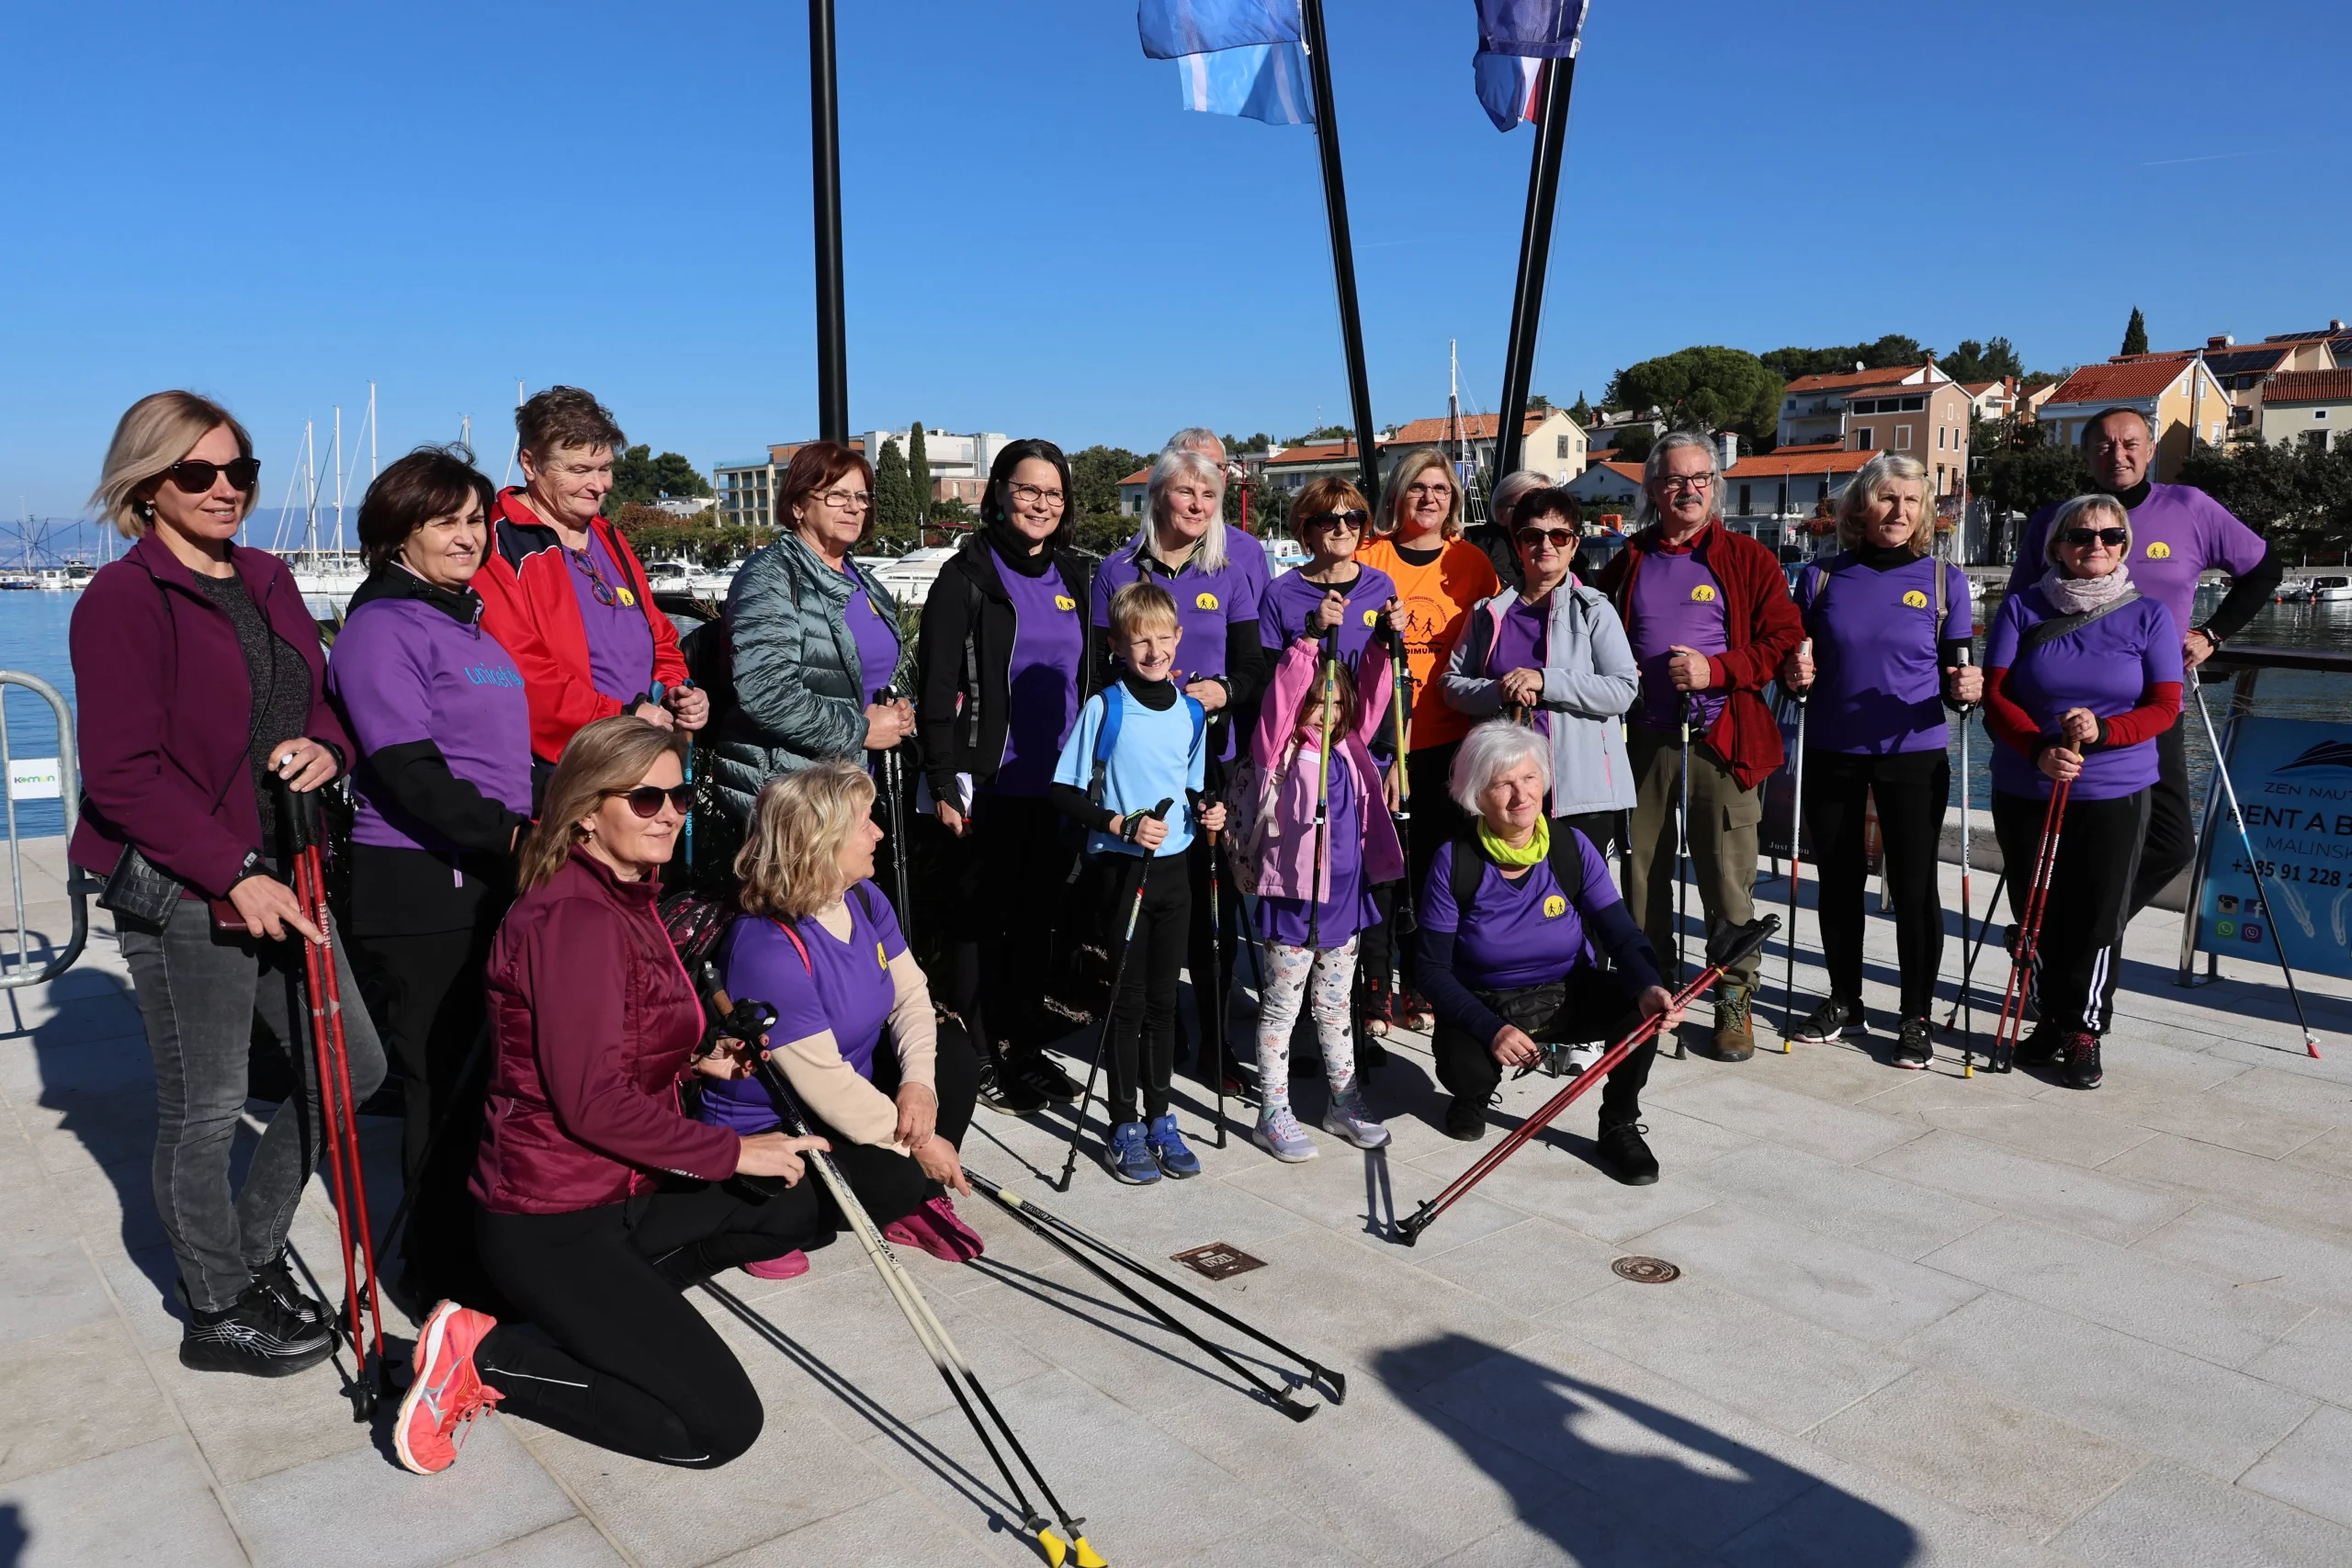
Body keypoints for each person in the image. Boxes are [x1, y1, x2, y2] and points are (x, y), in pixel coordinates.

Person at [393, 717, 831, 1476]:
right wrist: (732, 1149)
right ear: (587, 811)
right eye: (645, 797)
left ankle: (607, 1314)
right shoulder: (575, 918)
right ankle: (485, 1355)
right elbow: (590, 1103)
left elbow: (604, 1052)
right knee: (719, 1426)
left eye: (680, 796)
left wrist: (694, 1063)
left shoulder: (626, 894)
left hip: (619, 1193)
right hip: (551, 1220)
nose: (669, 813)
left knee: (792, 1202)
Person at [74, 390, 387, 1375]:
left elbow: (320, 700)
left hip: (285, 868)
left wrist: (328, 750)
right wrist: (231, 873)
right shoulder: (121, 599)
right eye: (195, 472)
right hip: (183, 885)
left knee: (352, 1068)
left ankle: (249, 1252)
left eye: (237, 470)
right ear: (146, 485)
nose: (223, 488)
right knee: (206, 1105)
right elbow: (122, 776)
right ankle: (216, 1307)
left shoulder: (268, 577)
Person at [326, 445, 533, 1308]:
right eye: (445, 520)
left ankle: (481, 1251)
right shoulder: (383, 626)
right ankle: (433, 1276)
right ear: (398, 530)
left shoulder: (465, 621)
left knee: (484, 1082)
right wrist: (515, 837)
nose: (467, 535)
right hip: (421, 887)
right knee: (440, 1083)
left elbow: (500, 757)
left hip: (487, 875)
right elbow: (408, 771)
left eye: (476, 519)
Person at [697, 761, 985, 1274]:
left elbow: (910, 994)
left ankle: (912, 1201)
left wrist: (918, 1086)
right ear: (820, 842)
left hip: (844, 1094)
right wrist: (918, 1144)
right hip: (775, 1125)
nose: (878, 833)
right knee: (895, 1180)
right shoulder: (766, 947)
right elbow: (825, 1085)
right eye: (863, 823)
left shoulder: (862, 898)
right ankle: (757, 1224)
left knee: (954, 1057)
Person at [2006, 407, 2283, 919]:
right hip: (2061, 713)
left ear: (2150, 449)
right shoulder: (2058, 520)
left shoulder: (2190, 507)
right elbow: (2019, 608)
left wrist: (2213, 634)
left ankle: (2083, 931)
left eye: (2131, 443)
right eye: (2104, 446)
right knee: (2068, 838)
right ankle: (2067, 941)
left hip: (2153, 706)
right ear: (2086, 455)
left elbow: (2265, 569)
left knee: (2171, 843)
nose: (2119, 455)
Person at [1594, 433, 1804, 1061]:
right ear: (1653, 490)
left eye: (1700, 478)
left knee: (1727, 877)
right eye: (1674, 479)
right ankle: (1651, 990)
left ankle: (1734, 999)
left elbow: (1782, 639)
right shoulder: (1628, 560)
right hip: (1645, 738)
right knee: (1642, 874)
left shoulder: (1748, 558)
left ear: (1715, 485)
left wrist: (1718, 670)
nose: (1688, 490)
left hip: (1723, 739)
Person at [1779, 455, 1981, 1066]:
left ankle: (1915, 1014)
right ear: (1861, 507)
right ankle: (1845, 1000)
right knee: (1839, 882)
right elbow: (1796, 668)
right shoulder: (1820, 578)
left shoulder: (1945, 581)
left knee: (1914, 889)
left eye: (1911, 501)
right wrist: (1794, 675)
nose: (1899, 511)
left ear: (1924, 512)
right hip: (1833, 748)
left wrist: (1966, 690)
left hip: (1911, 754)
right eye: (1887, 498)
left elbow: (1957, 675)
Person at [1416, 723, 1681, 1179]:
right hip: (1486, 999)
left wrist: (1648, 985)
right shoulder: (1454, 860)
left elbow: (1623, 935)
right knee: (1465, 1070)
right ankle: (1473, 1095)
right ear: (1476, 795)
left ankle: (1618, 1124)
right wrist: (1492, 1030)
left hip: (1567, 989)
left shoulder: (1570, 847)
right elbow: (1430, 968)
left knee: (1642, 1013)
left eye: (1529, 778)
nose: (1521, 795)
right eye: (1503, 784)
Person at [915, 439, 1093, 1114]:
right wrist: (942, 781)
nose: (1041, 504)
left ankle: (1022, 1046)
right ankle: (979, 1056)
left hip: (1059, 786)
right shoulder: (965, 577)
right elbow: (936, 689)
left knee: (1035, 924)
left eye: (1053, 493)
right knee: (978, 930)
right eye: (1028, 490)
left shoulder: (1075, 575)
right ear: (998, 493)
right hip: (985, 787)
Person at [1981, 495, 2182, 1089]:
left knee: (2098, 912)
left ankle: (2083, 1028)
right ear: (2057, 546)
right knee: (2035, 906)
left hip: (2114, 787)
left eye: (2110, 535)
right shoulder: (2022, 607)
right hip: (2027, 781)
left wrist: (2102, 732)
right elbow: (1995, 695)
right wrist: (2038, 748)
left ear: (2125, 544)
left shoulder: (2149, 615)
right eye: (2081, 535)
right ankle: (2048, 1018)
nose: (2096, 545)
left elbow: (2164, 706)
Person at [1091, 445, 1267, 1085]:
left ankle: (1215, 1043)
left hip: (1210, 766)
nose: (1197, 504)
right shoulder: (1116, 570)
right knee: (1150, 912)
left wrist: (1222, 690)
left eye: (1208, 495)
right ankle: (1152, 1041)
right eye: (1185, 491)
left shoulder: (1229, 572)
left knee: (1211, 914)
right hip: (1138, 774)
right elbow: (1097, 672)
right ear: (1158, 496)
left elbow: (1254, 668)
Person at [1051, 581, 1227, 1185]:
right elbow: (1064, 790)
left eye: (1162, 638)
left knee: (1163, 1002)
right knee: (1126, 1005)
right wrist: (1120, 824)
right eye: (1139, 641)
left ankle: (1160, 1118)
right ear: (1118, 645)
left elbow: (1192, 783)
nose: (1153, 651)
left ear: (1179, 638)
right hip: (1122, 872)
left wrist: (1209, 809)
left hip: (1175, 872)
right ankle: (1123, 1124)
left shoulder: (1192, 712)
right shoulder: (1107, 707)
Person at [473, 387, 705, 779]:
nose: (599, 485)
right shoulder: (496, 543)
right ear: (530, 464)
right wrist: (621, 715)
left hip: (638, 750)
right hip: (562, 767)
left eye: (605, 468)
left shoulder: (609, 536)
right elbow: (521, 669)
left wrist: (677, 692)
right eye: (580, 470)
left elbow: (660, 638)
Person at [1231, 629, 1401, 1160]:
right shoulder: (1279, 750)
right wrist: (1307, 647)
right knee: (1281, 1010)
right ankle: (1272, 1112)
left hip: (1344, 904)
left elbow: (1374, 698)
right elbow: (1281, 702)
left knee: (1334, 1009)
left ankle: (1343, 1103)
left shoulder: (1351, 747)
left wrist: (1381, 645)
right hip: (1293, 904)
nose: (1328, 714)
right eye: (1317, 702)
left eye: (1337, 703)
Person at [1257, 478, 1408, 1045]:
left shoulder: (1380, 585)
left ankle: (1355, 1019)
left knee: (1358, 885)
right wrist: (1312, 630)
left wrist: (1392, 760)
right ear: (1305, 529)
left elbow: (1385, 687)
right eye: (1327, 519)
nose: (1341, 528)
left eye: (1352, 518)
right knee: (1303, 880)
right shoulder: (1282, 592)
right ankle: (1293, 1025)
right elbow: (1271, 684)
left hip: (1357, 759)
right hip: (1299, 764)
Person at [1359, 446, 1502, 1030]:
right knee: (1379, 871)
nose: (1429, 498)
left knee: (1433, 872)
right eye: (1418, 487)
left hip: (1448, 741)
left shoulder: (1471, 563)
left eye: (1441, 489)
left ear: (1454, 499)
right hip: (1379, 741)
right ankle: (1374, 986)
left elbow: (1492, 648)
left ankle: (1423, 980)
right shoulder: (1369, 556)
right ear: (1397, 494)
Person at [709, 441, 912, 845]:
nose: (853, 507)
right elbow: (766, 692)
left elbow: (866, 676)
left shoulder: (862, 580)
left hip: (852, 789)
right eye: (836, 495)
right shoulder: (771, 577)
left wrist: (899, 710)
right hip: (794, 795)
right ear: (799, 505)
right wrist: (861, 730)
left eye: (861, 497)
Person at [1442, 486, 1638, 860]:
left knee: (1577, 890)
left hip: (1579, 793)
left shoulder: (1594, 610)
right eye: (1533, 535)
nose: (1545, 544)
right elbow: (1452, 686)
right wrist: (1499, 690)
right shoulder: (1487, 613)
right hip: (1505, 790)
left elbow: (1622, 689)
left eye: (1558, 535)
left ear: (1574, 545)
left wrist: (1546, 681)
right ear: (1518, 545)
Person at [1462, 468, 1552, 592]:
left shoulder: (1569, 554)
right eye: (1528, 507)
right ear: (1502, 515)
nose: (1541, 515)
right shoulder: (1472, 556)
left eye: (1549, 507)